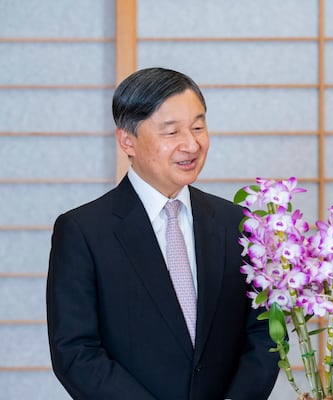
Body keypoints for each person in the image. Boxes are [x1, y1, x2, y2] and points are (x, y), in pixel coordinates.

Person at [46, 67, 279, 400]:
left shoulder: (237, 223)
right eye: (171, 132)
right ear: (128, 141)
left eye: (198, 127)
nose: (191, 143)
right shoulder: (83, 231)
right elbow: (75, 351)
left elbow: (264, 332)